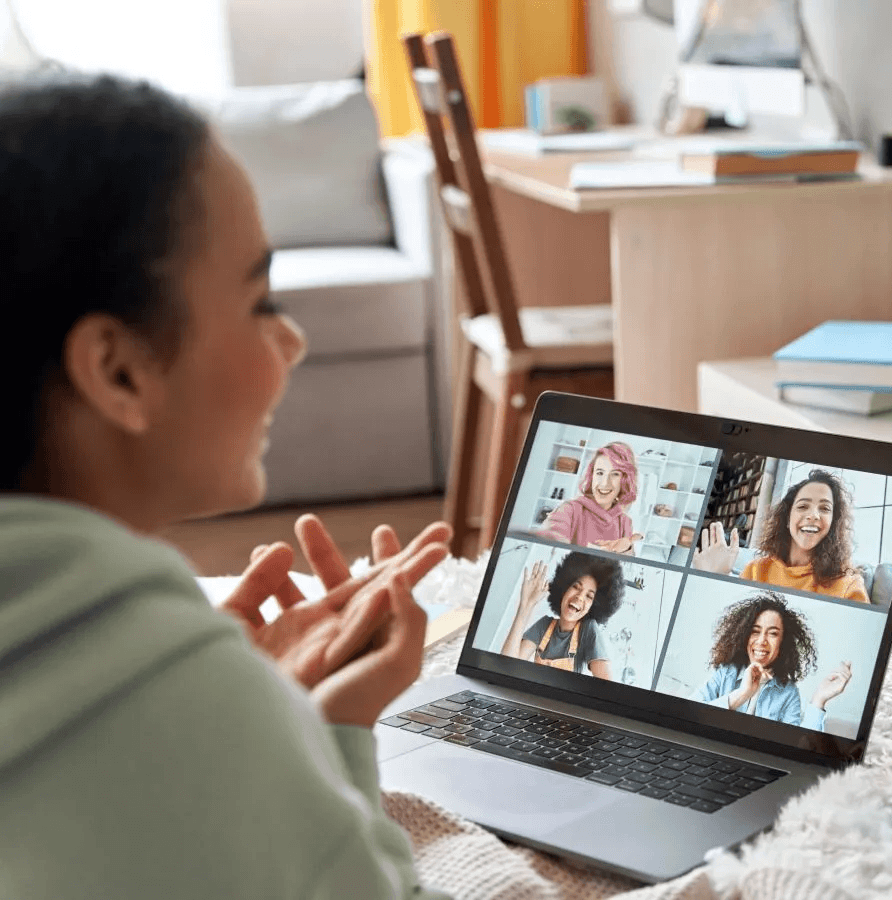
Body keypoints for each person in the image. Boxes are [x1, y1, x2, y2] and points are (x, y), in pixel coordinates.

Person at [0, 72, 456, 899]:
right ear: (118, 370)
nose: (293, 341)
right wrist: (325, 732)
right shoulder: (194, 710)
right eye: (260, 300)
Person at [693, 469, 870, 603]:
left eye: (825, 508)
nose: (813, 515)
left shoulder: (849, 586)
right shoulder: (756, 570)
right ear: (786, 518)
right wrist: (716, 578)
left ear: (833, 523)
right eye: (803, 506)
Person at [692, 591, 852, 731]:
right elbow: (690, 713)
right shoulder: (725, 673)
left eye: (773, 633)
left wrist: (819, 700)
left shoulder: (788, 693)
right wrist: (741, 695)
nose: (762, 640)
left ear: (783, 642)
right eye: (755, 631)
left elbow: (799, 747)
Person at [501, 551, 624, 677]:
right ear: (564, 588)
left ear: (593, 606)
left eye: (589, 596)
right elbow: (507, 667)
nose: (580, 597)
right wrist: (526, 604)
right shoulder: (544, 625)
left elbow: (605, 684)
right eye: (576, 587)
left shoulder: (588, 630)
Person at [536, 442, 643, 554]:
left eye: (615, 474)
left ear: (624, 481)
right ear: (592, 476)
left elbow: (626, 562)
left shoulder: (625, 522)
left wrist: (626, 550)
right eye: (600, 473)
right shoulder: (570, 509)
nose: (604, 483)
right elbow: (548, 541)